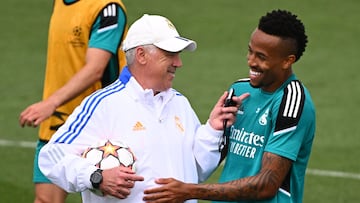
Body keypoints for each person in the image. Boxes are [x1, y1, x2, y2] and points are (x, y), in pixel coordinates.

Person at [38, 14, 249, 203]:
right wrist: (96, 177)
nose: (178, 63)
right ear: (141, 55)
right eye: (170, 54)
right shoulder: (104, 104)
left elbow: (196, 169)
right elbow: (51, 156)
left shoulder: (179, 103)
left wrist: (212, 129)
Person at [143, 9, 316, 203]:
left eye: (261, 57)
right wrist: (213, 129)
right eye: (250, 51)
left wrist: (190, 191)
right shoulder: (240, 90)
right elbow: (209, 158)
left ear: (287, 61)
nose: (251, 61)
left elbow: (267, 184)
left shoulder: (292, 103)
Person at [19, 0, 128, 202]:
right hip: (57, 121)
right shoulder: (60, 2)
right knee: (45, 199)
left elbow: (95, 68)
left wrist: (51, 103)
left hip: (96, 123)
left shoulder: (107, 8)